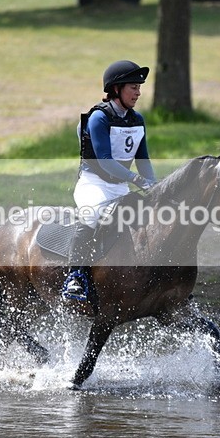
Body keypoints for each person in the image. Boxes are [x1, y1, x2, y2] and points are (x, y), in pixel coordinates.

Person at [62, 60, 157, 302]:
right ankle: (75, 277)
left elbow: (143, 158)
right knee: (91, 216)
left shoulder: (137, 120)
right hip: (94, 184)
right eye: (133, 87)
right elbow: (104, 161)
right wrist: (138, 179)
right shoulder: (98, 118)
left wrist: (155, 185)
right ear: (116, 89)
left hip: (120, 185)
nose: (138, 92)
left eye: (139, 88)